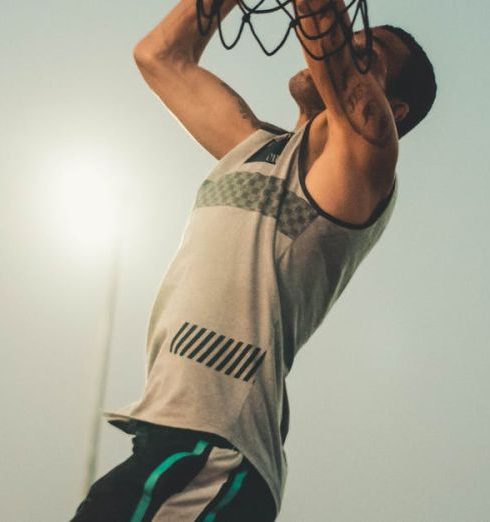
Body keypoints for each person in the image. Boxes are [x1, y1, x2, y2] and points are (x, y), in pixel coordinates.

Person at [71, 0, 437, 520]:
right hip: (175, 442)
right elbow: (160, 57)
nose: (347, 45)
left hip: (217, 451)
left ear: (393, 108)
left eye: (368, 52)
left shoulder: (365, 161)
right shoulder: (253, 147)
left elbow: (325, 32)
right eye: (350, 38)